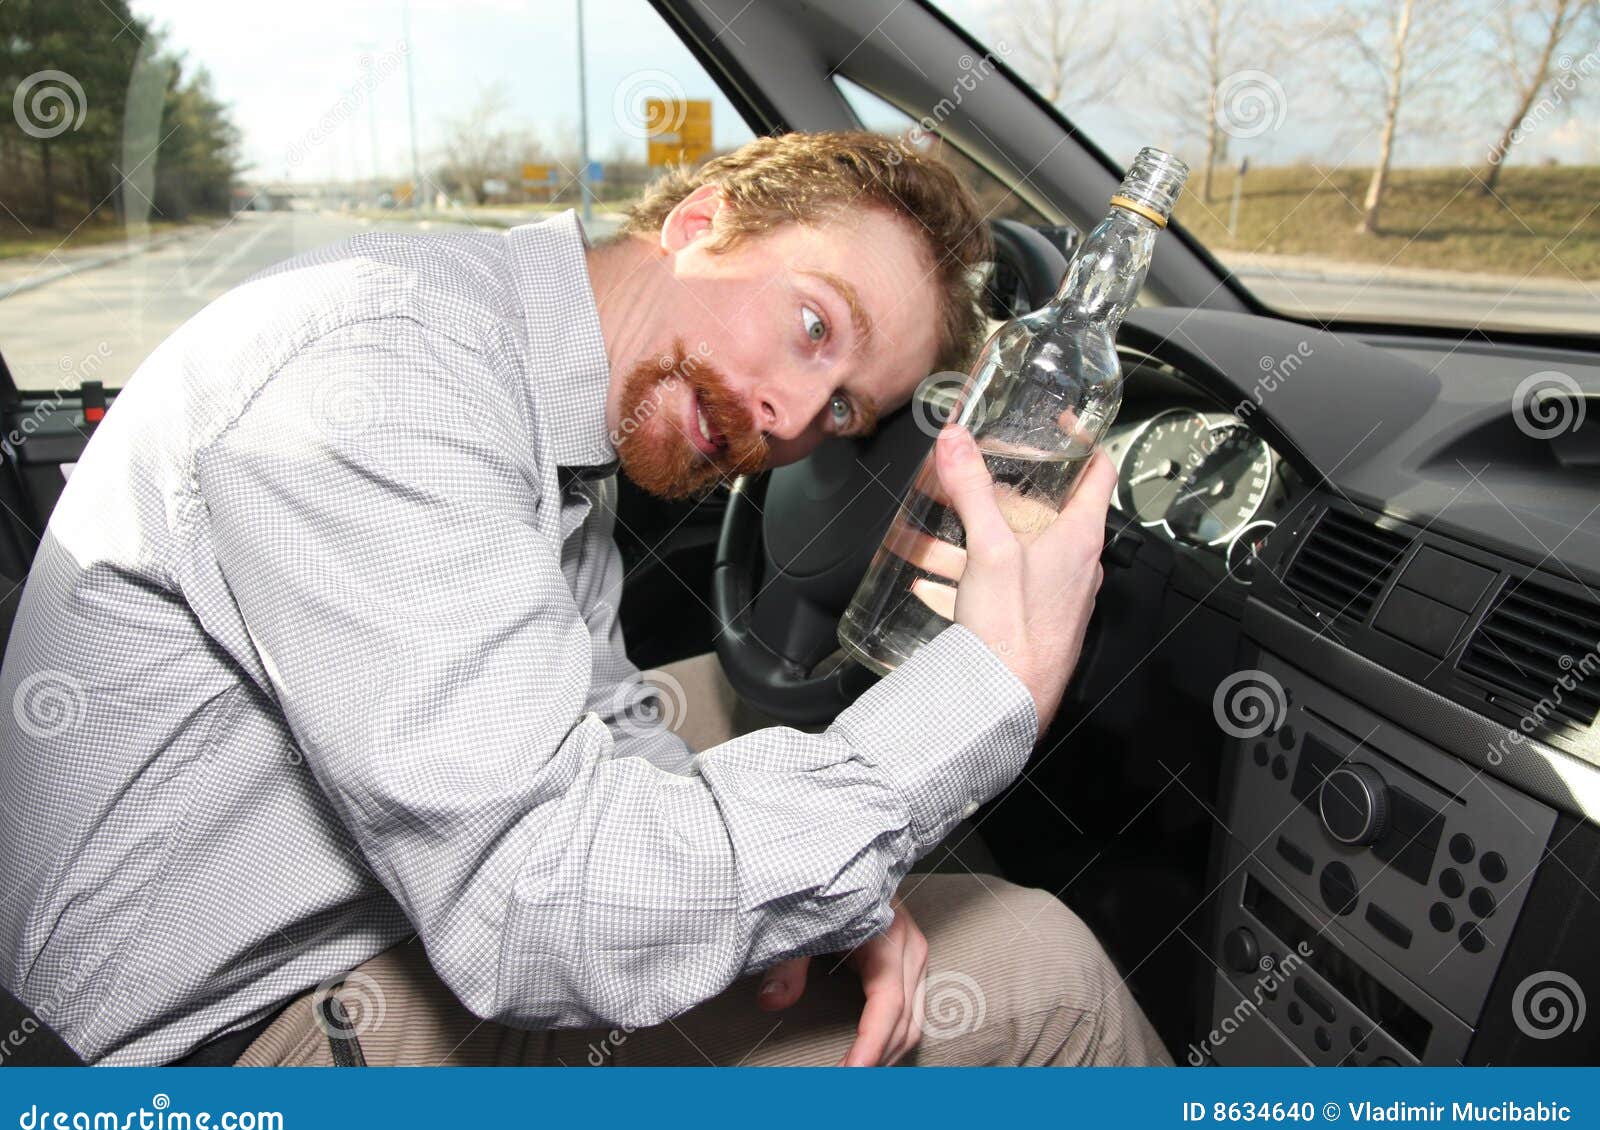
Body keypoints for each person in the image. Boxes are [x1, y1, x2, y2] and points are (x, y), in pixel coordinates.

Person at [0, 132, 1168, 1067]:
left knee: (725, 734)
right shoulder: (385, 374)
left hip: (318, 937)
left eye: (846, 411)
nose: (793, 420)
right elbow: (535, 908)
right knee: (1041, 968)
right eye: (814, 325)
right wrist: (986, 686)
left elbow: (602, 719)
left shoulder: (546, 402)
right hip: (200, 1054)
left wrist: (832, 893)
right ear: (700, 224)